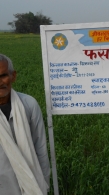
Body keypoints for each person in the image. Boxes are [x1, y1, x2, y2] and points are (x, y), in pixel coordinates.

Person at [0, 54, 50, 195]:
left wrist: (44, 183)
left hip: (32, 185)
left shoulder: (28, 105)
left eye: (3, 76)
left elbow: (40, 149)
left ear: (13, 76)